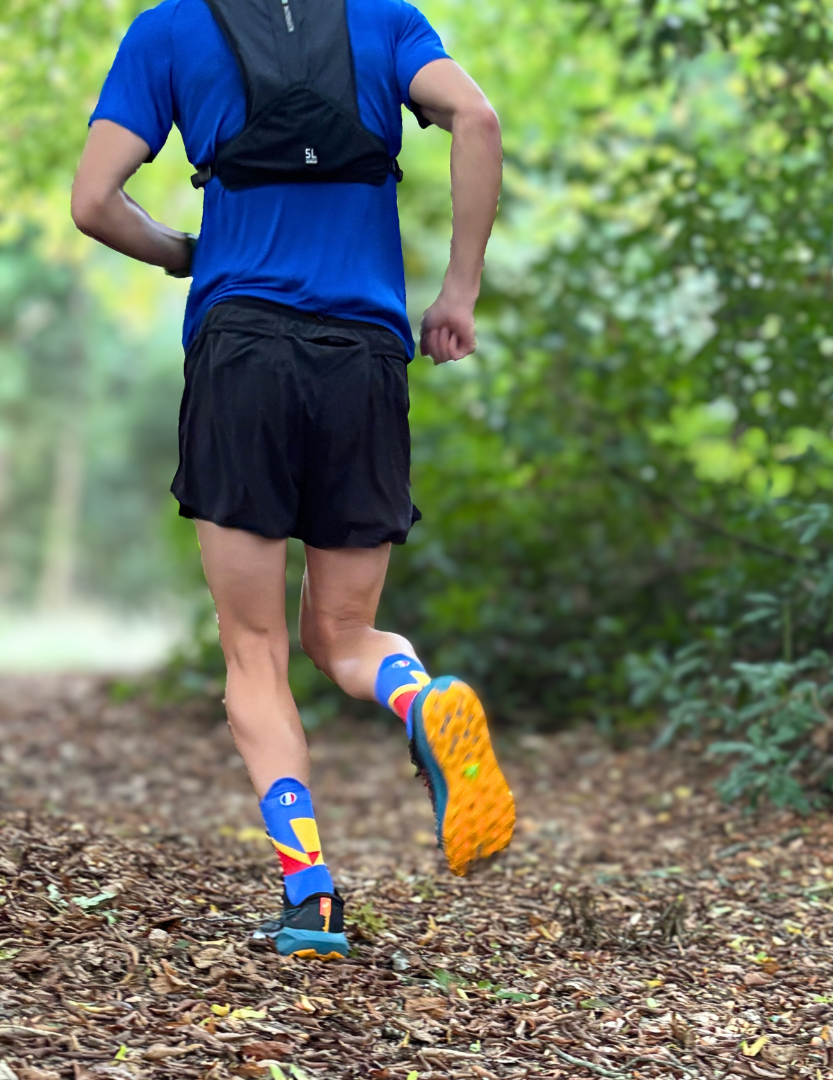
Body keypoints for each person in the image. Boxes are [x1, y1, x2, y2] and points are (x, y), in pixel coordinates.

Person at [71, 0, 514, 960]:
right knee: (344, 635)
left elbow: (94, 200)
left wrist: (189, 255)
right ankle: (417, 698)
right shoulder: (389, 22)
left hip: (243, 357)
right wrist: (458, 291)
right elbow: (476, 119)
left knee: (255, 651)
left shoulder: (169, 30)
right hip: (363, 359)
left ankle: (309, 896)